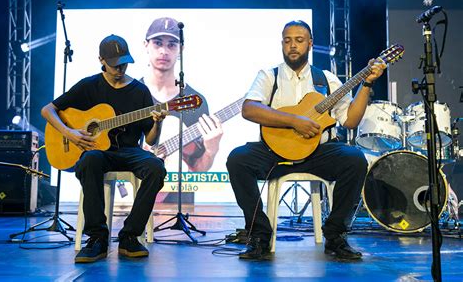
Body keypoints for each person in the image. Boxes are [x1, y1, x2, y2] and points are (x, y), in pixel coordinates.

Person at [226, 20, 386, 261]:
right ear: (282, 43)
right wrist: (293, 121)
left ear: (310, 44)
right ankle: (259, 235)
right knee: (237, 160)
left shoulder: (327, 80)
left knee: (354, 160)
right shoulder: (270, 76)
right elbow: (249, 109)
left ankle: (335, 236)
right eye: (287, 40)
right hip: (275, 153)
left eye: (299, 41)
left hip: (319, 153)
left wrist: (367, 83)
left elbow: (350, 120)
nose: (293, 46)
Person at [41, 35, 167, 263]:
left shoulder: (140, 91)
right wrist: (70, 132)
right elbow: (48, 110)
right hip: (98, 152)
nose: (120, 68)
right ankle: (97, 238)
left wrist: (158, 122)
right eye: (114, 63)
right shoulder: (89, 85)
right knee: (90, 160)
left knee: (156, 167)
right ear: (101, 60)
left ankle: (129, 236)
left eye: (124, 63)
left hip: (129, 151)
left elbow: (151, 139)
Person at [141, 17, 223, 200]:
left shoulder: (195, 101)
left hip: (179, 208)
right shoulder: (130, 95)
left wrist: (212, 150)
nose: (164, 51)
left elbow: (197, 169)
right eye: (157, 43)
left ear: (181, 50)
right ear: (145, 45)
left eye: (171, 45)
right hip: (129, 203)